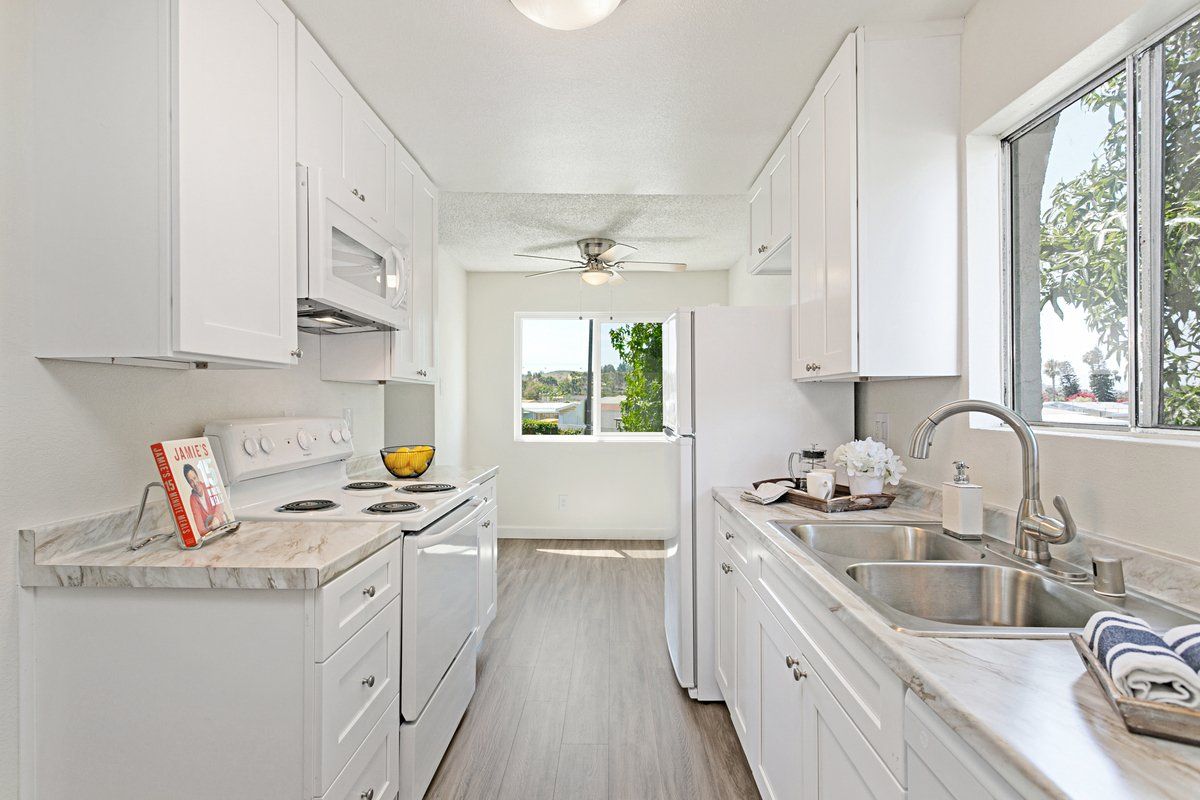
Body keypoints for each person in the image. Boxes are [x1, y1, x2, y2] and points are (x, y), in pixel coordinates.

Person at [183, 462, 228, 533]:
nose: (194, 483)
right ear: (189, 484)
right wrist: (210, 528)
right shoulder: (192, 499)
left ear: (197, 476)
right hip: (211, 533)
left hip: (223, 527)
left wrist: (216, 518)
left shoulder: (209, 486)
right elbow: (200, 529)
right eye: (191, 481)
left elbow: (220, 504)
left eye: (194, 478)